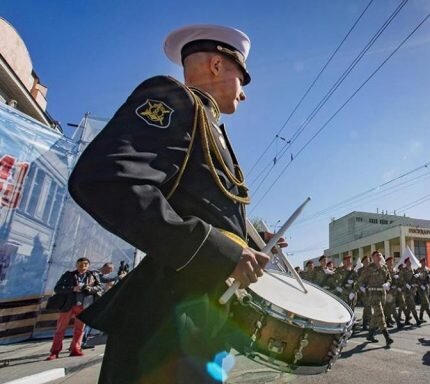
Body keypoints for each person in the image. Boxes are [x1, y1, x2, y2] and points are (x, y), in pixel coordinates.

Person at [68, 25, 282, 382]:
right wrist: (217, 252)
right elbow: (105, 180)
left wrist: (256, 241)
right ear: (216, 65)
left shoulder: (209, 123)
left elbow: (202, 206)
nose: (243, 95)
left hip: (197, 319)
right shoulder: (173, 99)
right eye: (241, 79)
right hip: (164, 323)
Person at [46, 258, 102, 360]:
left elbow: (99, 287)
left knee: (80, 329)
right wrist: (72, 289)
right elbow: (57, 288)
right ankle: (55, 351)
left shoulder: (93, 275)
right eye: (80, 264)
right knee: (60, 329)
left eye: (85, 264)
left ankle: (75, 349)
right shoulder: (68, 275)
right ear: (76, 265)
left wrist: (90, 289)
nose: (83, 266)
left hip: (84, 305)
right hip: (68, 305)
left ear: (88, 265)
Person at [357, 251, 393, 346]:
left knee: (376, 315)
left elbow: (389, 278)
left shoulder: (384, 267)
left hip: (382, 293)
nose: (379, 256)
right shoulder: (369, 268)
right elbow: (360, 280)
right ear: (373, 257)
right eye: (377, 255)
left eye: (380, 255)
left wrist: (388, 283)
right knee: (380, 314)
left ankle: (370, 334)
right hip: (373, 294)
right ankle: (387, 337)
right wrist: (362, 288)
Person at [415, 258, 430, 324]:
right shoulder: (418, 270)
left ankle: (420, 318)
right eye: (423, 262)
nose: (424, 263)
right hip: (420, 289)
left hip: (426, 288)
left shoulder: (427, 270)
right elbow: (415, 279)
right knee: (426, 302)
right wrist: (420, 285)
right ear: (421, 262)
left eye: (425, 262)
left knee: (423, 303)